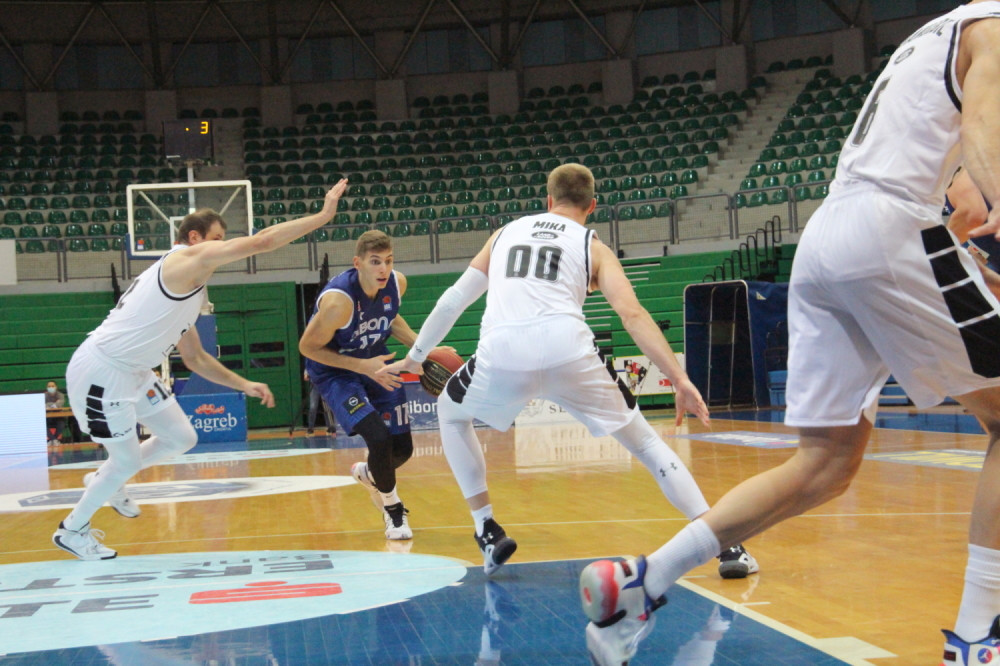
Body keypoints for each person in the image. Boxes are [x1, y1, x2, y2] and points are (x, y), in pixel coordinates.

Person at [573, 5, 1000, 664]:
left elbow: (966, 187)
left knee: (824, 466)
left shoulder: (940, 33)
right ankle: (978, 641)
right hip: (892, 226)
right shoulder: (995, 28)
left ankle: (640, 582)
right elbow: (980, 140)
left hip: (829, 239)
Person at [378, 163, 758, 580]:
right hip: (569, 352)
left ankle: (486, 527)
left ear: (547, 200)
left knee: (452, 414)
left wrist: (416, 355)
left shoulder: (505, 234)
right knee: (647, 444)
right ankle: (725, 546)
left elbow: (453, 301)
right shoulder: (593, 246)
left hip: (503, 353)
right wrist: (680, 379)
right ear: (592, 206)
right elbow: (631, 314)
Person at [53, 179, 348, 561]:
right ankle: (73, 529)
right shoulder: (183, 262)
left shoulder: (190, 291)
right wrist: (324, 215)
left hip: (136, 373)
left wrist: (245, 383)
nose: (223, 247)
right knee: (124, 460)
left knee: (180, 437)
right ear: (194, 238)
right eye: (218, 238)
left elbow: (195, 358)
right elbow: (262, 242)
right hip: (103, 371)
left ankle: (103, 480)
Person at [299, 230, 428, 541]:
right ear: (358, 263)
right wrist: (363, 367)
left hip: (375, 363)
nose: (383, 269)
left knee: (403, 449)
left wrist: (425, 349)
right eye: (375, 262)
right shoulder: (338, 302)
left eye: (388, 261)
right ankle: (393, 512)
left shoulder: (397, 282)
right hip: (337, 372)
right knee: (379, 439)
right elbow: (307, 347)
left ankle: (370, 474)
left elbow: (390, 318)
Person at [303, 370, 336, 436]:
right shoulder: (310, 362)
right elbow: (306, 373)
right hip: (314, 385)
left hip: (324, 385)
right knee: (313, 406)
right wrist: (306, 374)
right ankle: (310, 428)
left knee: (327, 406)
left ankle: (330, 427)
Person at [44, 380, 67, 445]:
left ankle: (53, 440)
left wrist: (49, 405)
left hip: (58, 417)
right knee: (43, 424)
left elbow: (59, 404)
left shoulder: (61, 395)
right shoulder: (44, 395)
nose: (51, 387)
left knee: (61, 424)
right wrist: (54, 404)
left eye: (52, 386)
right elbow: (44, 405)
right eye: (49, 386)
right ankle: (53, 439)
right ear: (47, 387)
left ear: (56, 387)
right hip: (47, 417)